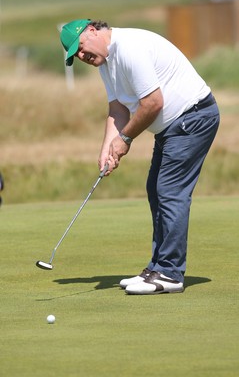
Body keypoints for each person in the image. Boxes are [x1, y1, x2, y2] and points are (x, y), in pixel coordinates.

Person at [60, 19, 220, 295]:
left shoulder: (129, 48)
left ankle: (170, 273)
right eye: (76, 55)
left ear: (92, 30)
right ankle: (158, 267)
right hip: (174, 126)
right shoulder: (106, 63)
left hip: (193, 118)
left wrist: (124, 140)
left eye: (82, 48)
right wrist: (107, 148)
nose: (82, 56)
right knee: (156, 190)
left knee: (170, 192)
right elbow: (118, 109)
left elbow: (153, 103)